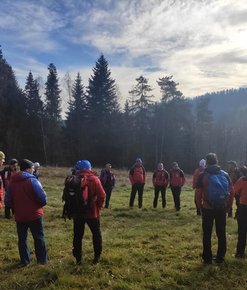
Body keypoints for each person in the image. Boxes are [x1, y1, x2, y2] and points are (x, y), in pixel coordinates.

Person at [5, 159, 48, 266]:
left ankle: (25, 261)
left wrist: (16, 207)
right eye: (33, 168)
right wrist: (38, 206)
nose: (34, 170)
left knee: (22, 239)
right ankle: (42, 261)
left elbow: (7, 201)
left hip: (20, 216)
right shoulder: (33, 181)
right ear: (28, 169)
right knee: (38, 238)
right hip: (35, 215)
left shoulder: (12, 182)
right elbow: (42, 198)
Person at [196, 153, 234, 264]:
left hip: (208, 208)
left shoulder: (203, 175)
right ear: (216, 161)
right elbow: (232, 192)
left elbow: (198, 194)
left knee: (207, 234)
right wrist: (228, 207)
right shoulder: (225, 174)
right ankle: (220, 258)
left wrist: (200, 208)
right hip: (222, 208)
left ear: (207, 162)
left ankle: (207, 259)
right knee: (221, 233)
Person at [71, 160, 105, 264]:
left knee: (77, 235)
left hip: (77, 213)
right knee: (96, 234)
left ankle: (78, 258)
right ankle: (97, 257)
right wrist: (98, 207)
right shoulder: (94, 179)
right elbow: (102, 195)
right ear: (89, 168)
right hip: (92, 212)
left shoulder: (73, 179)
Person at [233, 165, 247, 258]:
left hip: (244, 207)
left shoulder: (243, 180)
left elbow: (234, 190)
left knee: (242, 231)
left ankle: (240, 253)